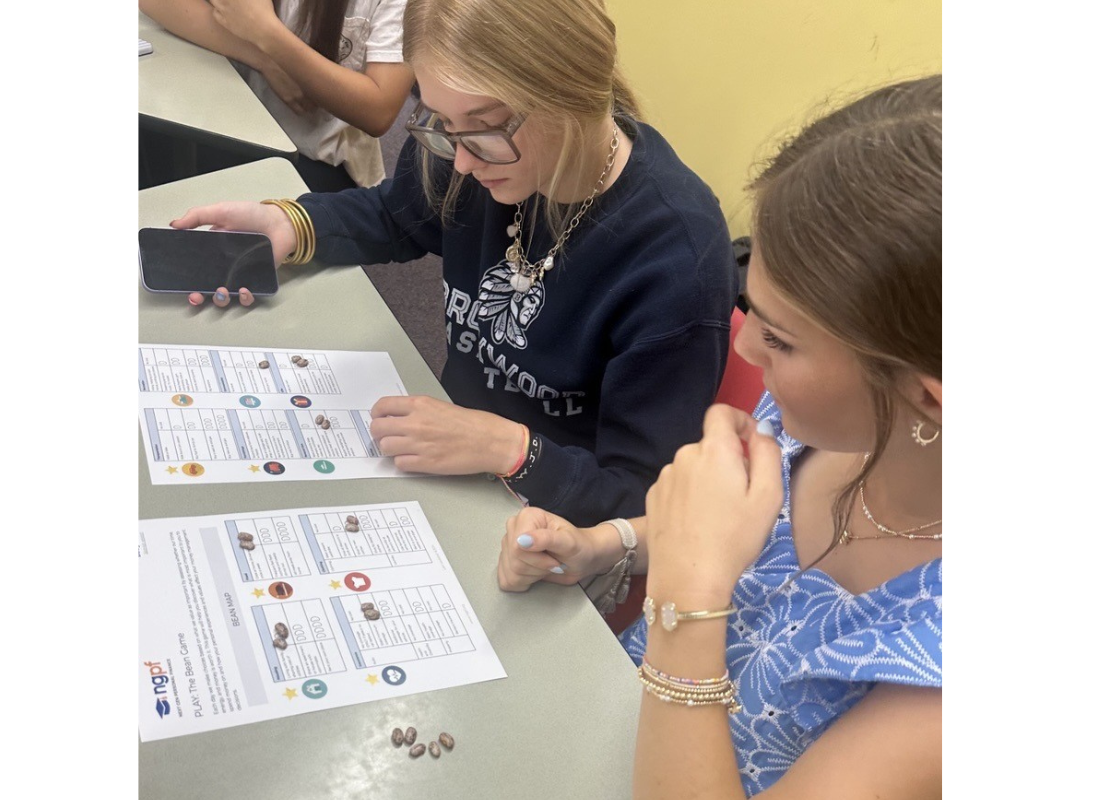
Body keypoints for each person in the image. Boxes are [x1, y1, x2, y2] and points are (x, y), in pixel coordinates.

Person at [496, 75, 942, 798]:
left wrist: (687, 596)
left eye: (781, 340)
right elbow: (731, 533)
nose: (744, 354)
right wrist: (609, 543)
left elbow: (705, 569)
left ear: (926, 397)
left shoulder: (942, 683)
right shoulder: (820, 426)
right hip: (608, 722)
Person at [166, 0, 738, 528]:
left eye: (484, 129)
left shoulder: (675, 260)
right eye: (439, 120)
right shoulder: (467, 141)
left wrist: (509, 448)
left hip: (557, 519)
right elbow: (398, 216)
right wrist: (293, 224)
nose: (461, 162)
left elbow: (643, 498)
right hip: (449, 456)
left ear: (574, 93)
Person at [139, 0, 415, 190]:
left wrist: (267, 33)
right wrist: (266, 59)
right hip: (222, 117)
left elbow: (379, 110)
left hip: (314, 154)